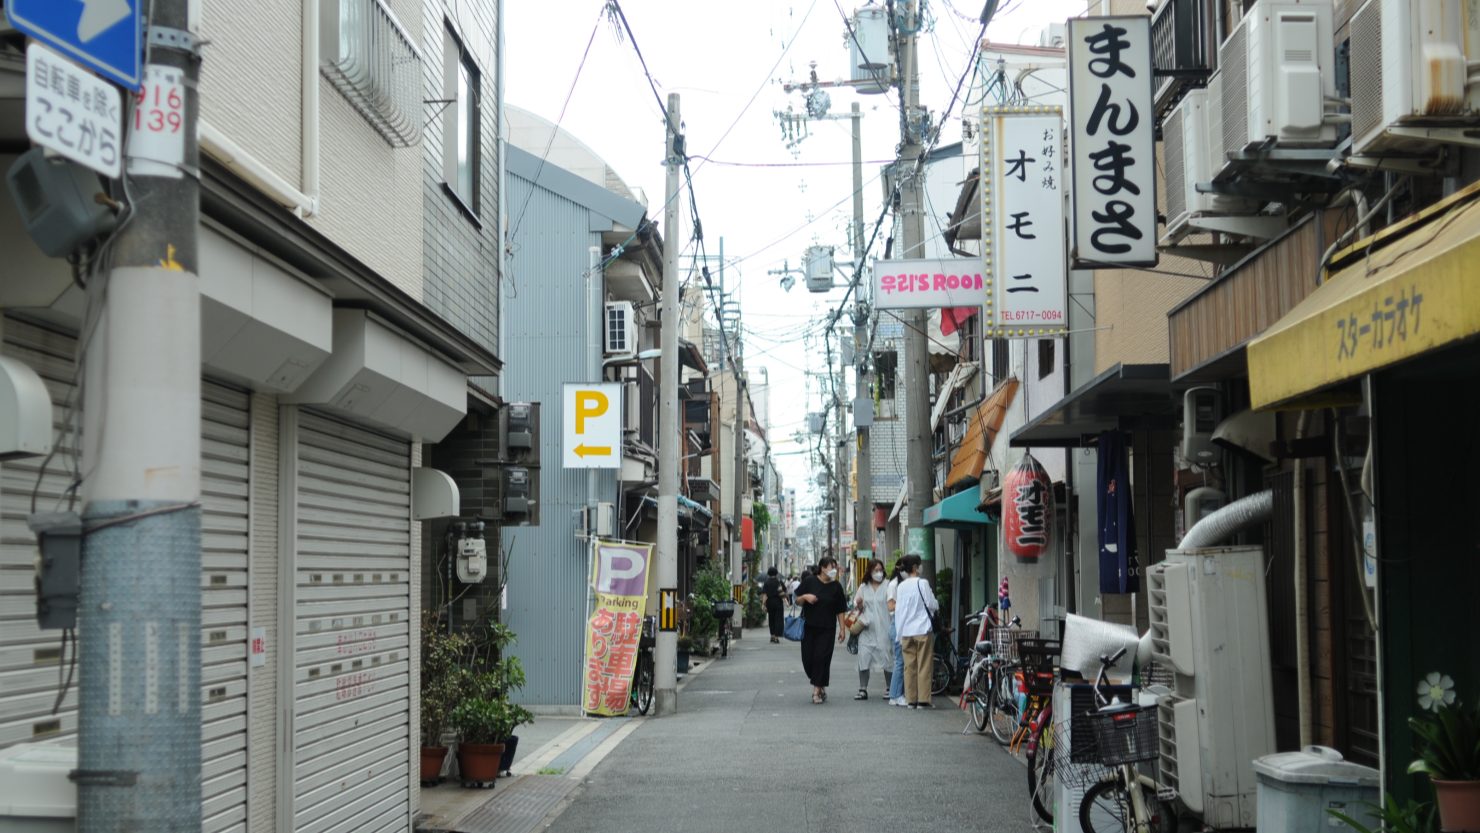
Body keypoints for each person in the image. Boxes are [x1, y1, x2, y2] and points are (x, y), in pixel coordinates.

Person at [793, 555, 849, 704]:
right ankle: (820, 682)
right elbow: (796, 600)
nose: (834, 570)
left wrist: (842, 629)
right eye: (832, 567)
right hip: (809, 627)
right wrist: (805, 597)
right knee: (808, 660)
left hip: (827, 629)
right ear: (823, 568)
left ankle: (816, 691)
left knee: (821, 658)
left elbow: (840, 609)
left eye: (835, 567)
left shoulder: (836, 586)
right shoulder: (810, 581)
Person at [892, 554, 939, 708]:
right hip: (922, 629)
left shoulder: (901, 586)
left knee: (909, 666)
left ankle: (911, 699)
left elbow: (898, 611)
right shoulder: (922, 583)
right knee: (924, 665)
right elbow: (932, 604)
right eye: (919, 564)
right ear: (914, 567)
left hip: (905, 631)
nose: (920, 567)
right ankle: (923, 700)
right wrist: (936, 605)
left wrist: (898, 634)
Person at [850, 558, 893, 700]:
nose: (879, 573)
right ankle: (862, 689)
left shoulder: (888, 585)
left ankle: (889, 687)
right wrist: (860, 605)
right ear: (870, 571)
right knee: (864, 657)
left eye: (881, 570)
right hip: (867, 629)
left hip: (885, 628)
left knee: (887, 657)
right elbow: (856, 607)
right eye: (876, 570)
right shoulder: (864, 587)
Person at [885, 560, 908, 707]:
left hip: (901, 624)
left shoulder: (902, 583)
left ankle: (897, 694)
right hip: (897, 624)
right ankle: (895, 695)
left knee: (901, 661)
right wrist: (906, 603)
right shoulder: (894, 584)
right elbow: (890, 606)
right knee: (900, 661)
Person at [762, 567, 787, 643]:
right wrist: (786, 601)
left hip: (769, 602)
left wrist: (763, 604)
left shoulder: (766, 582)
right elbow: (782, 592)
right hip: (778, 602)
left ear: (769, 573)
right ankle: (776, 637)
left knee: (771, 619)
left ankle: (772, 636)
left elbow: (764, 594)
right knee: (778, 619)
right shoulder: (778, 582)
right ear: (776, 573)